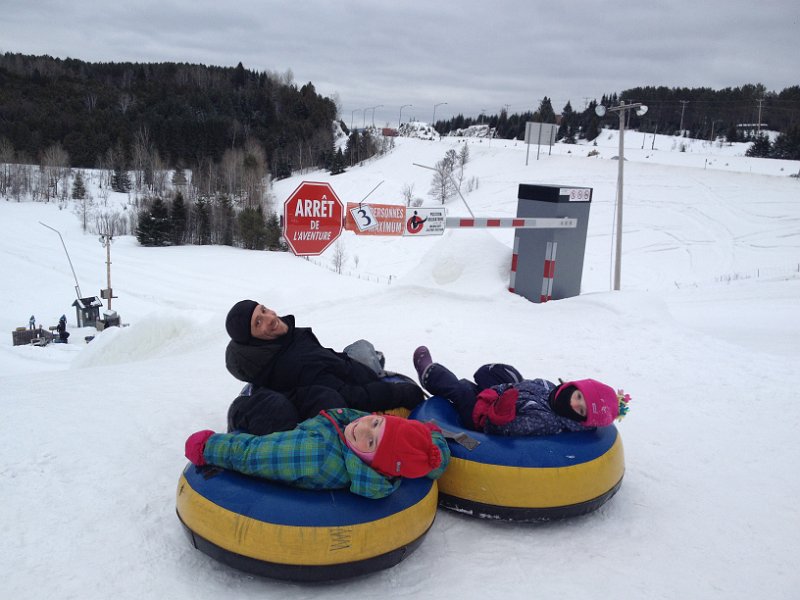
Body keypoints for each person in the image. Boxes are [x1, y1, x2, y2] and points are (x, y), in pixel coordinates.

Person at [223, 300, 424, 433]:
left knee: (361, 348)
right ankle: (378, 370)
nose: (270, 317)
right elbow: (351, 397)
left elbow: (324, 355)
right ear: (253, 341)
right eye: (259, 322)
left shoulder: (285, 339)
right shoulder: (294, 365)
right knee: (366, 353)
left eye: (264, 310)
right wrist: (398, 393)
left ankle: (373, 365)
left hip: (341, 369)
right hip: (354, 386)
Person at [184, 408, 450, 499]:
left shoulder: (317, 452)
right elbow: (434, 459)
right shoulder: (360, 431)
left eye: (371, 442)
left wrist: (208, 446)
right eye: (376, 422)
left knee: (255, 410)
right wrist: (430, 435)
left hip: (289, 455)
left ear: (373, 463)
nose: (363, 429)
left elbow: (256, 454)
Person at [412, 346, 630, 436]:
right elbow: (527, 386)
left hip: (484, 417)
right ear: (575, 387)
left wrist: (500, 409)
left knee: (461, 390)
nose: (574, 404)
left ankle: (431, 374)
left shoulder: (547, 421)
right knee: (480, 378)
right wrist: (507, 386)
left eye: (580, 410)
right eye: (578, 396)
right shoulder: (550, 388)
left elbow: (507, 428)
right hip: (504, 396)